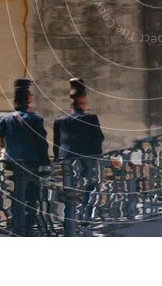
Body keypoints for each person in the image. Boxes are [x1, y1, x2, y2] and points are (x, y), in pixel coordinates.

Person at [0, 78, 49, 235]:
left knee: (15, 195)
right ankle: (27, 228)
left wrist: (0, 156)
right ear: (28, 98)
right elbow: (42, 143)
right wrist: (46, 162)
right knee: (31, 196)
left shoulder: (5, 119)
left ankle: (15, 226)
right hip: (31, 163)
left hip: (11, 162)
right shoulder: (36, 120)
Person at [53, 78, 104, 235]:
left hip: (65, 158)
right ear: (84, 101)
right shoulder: (91, 118)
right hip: (86, 156)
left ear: (71, 104)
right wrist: (97, 156)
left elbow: (56, 143)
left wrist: (57, 158)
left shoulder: (59, 121)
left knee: (68, 189)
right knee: (90, 184)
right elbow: (99, 138)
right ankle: (86, 217)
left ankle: (67, 219)